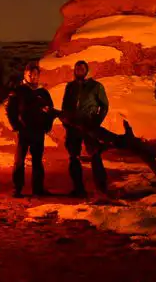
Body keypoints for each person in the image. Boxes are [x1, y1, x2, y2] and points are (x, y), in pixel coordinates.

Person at [61, 60, 110, 197]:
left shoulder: (96, 86)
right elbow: (65, 106)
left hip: (89, 125)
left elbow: (104, 106)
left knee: (95, 154)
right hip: (73, 127)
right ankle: (78, 189)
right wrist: (66, 122)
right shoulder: (70, 87)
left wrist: (96, 122)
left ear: (86, 70)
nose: (79, 70)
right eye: (77, 68)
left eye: (82, 68)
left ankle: (101, 188)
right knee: (73, 156)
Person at [6, 61, 54, 197]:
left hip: (38, 131)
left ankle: (38, 189)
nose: (33, 77)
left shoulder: (43, 92)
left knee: (37, 160)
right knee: (19, 160)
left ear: (38, 76)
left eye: (35, 75)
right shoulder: (19, 91)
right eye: (30, 75)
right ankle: (17, 188)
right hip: (24, 131)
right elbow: (10, 109)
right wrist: (16, 125)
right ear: (25, 75)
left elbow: (50, 110)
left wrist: (47, 125)